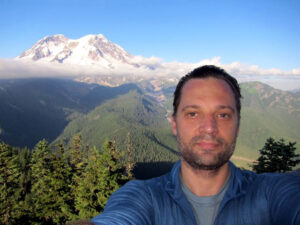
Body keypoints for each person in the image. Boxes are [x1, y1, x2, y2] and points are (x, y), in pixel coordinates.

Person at [91, 65, 300, 225]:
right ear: (174, 124)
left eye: (223, 114)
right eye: (192, 114)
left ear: (238, 126)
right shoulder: (142, 196)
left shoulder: (272, 192)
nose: (209, 128)